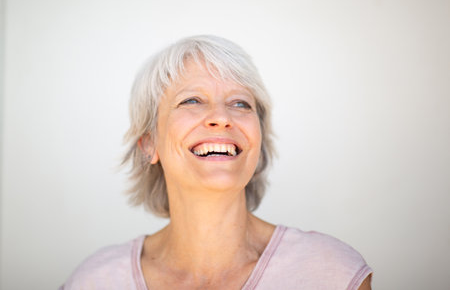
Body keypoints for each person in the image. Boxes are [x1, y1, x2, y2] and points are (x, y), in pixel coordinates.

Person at [60, 35, 372, 289]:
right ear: (149, 144)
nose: (222, 118)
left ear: (257, 141)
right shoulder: (93, 281)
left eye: (240, 103)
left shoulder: (333, 274)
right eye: (192, 100)